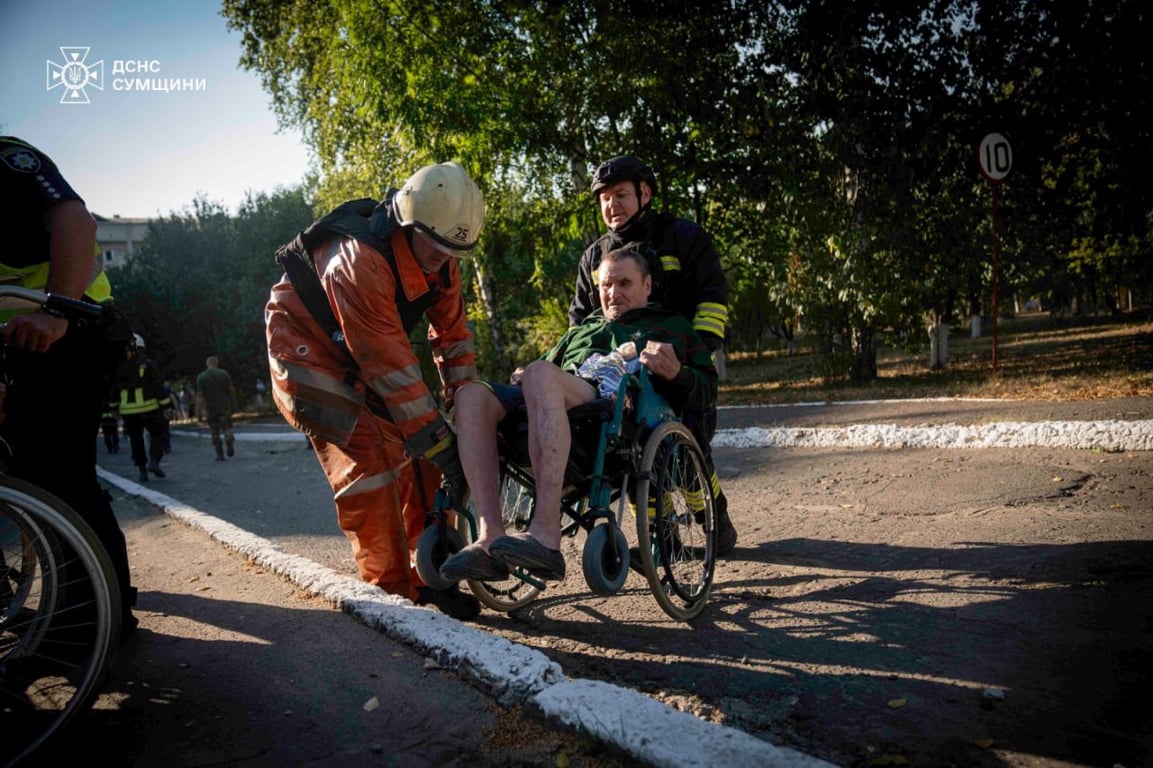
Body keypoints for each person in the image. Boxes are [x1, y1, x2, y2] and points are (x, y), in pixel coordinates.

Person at [265, 161, 484, 620]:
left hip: (364, 349)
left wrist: (465, 410)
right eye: (434, 246)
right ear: (407, 222)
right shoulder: (358, 260)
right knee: (370, 461)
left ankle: (431, 576)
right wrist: (440, 439)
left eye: (451, 251)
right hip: (305, 351)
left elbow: (454, 339)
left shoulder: (443, 259)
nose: (441, 258)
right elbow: (389, 363)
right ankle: (391, 596)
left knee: (426, 459)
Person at [439, 247, 717, 583]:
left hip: (608, 416)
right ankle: (489, 539)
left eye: (624, 283)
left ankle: (545, 535)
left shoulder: (671, 326)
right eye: (605, 285)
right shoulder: (580, 331)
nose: (613, 293)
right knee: (470, 395)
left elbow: (705, 389)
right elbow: (539, 372)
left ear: (647, 285)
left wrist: (677, 373)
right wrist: (522, 374)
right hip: (550, 407)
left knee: (541, 373)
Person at [0, 135, 138, 632]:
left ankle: (98, 620)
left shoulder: (7, 158)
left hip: (70, 328)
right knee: (24, 469)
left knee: (55, 470)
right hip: (12, 341)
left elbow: (74, 220)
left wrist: (56, 310)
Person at [569, 155, 738, 555]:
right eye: (605, 198)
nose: (612, 205)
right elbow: (580, 323)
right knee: (630, 454)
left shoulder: (684, 237)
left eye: (621, 195)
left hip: (677, 368)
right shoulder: (594, 258)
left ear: (645, 194)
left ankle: (713, 518)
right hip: (620, 377)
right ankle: (662, 537)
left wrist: (694, 356)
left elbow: (712, 299)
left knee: (689, 457)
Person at [113, 333, 171, 483]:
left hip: (128, 411)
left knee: (135, 439)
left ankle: (142, 471)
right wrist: (166, 405)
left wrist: (114, 408)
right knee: (157, 433)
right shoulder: (147, 363)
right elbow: (158, 385)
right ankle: (154, 461)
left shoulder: (117, 366)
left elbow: (112, 389)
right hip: (149, 407)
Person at [196, 355, 236, 460]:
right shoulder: (224, 374)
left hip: (210, 408)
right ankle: (229, 442)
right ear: (216, 363)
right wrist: (233, 404)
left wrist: (198, 412)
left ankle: (219, 454)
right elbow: (231, 390)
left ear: (207, 364)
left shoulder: (201, 377)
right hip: (224, 406)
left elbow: (200, 396)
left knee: (214, 431)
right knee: (227, 427)